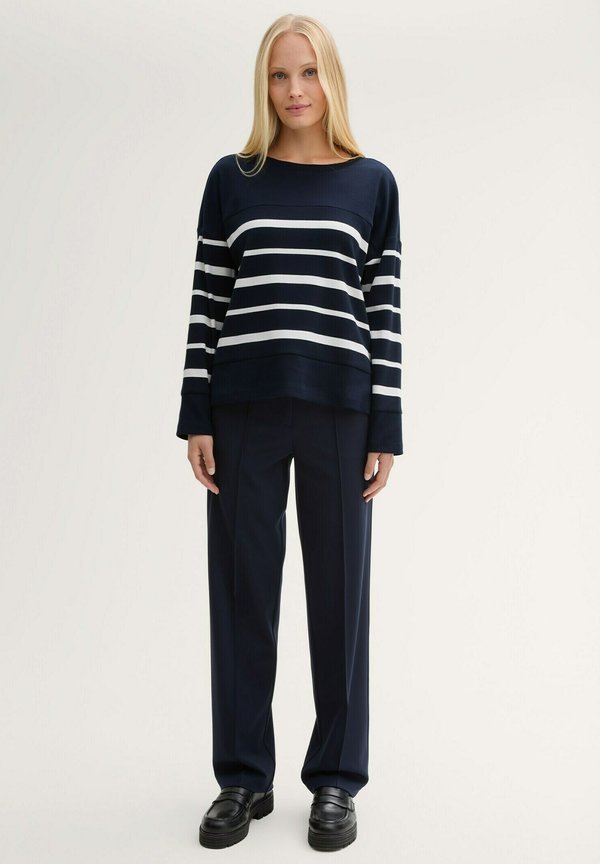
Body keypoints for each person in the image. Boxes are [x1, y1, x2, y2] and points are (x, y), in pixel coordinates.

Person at [175, 13, 403, 852]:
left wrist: (387, 424)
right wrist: (196, 414)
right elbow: (207, 300)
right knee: (242, 594)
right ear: (263, 85)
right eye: (279, 75)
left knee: (340, 597)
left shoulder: (372, 184)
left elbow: (383, 311)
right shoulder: (231, 179)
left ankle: (336, 778)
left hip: (342, 408)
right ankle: (243, 777)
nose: (294, 90)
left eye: (307, 72)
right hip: (243, 408)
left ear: (330, 78)